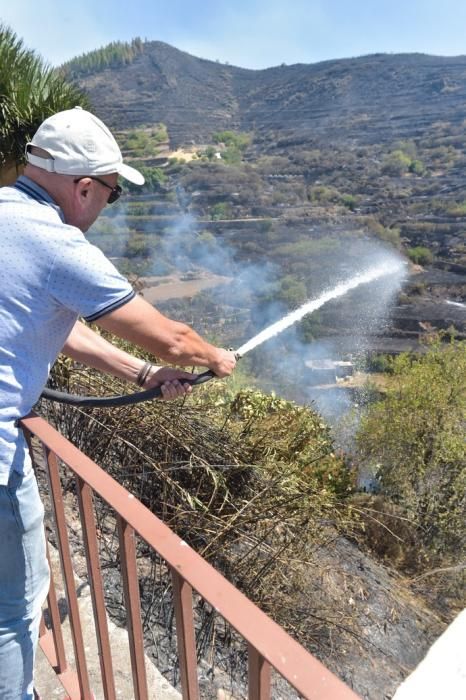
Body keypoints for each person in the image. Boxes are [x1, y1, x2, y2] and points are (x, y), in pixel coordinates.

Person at [0, 106, 236, 699]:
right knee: (15, 603)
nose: (107, 205)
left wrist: (143, 373)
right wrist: (211, 356)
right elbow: (171, 335)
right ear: (84, 187)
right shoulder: (57, 243)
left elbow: (56, 325)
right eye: (110, 192)